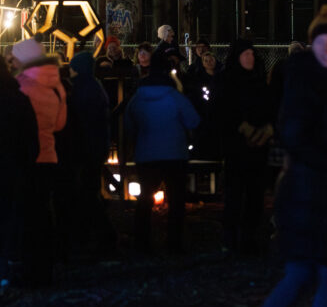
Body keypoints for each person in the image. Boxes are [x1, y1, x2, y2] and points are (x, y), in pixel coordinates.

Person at [241, 5, 327, 307]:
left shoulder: (322, 83)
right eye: (323, 41)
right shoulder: (309, 83)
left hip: (317, 195)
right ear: (313, 43)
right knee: (325, 276)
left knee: (304, 274)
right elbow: (296, 135)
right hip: (311, 196)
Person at [124, 52, 200, 253]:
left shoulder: (138, 97)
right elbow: (193, 120)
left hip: (147, 154)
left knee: (145, 199)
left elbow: (128, 124)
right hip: (175, 153)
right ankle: (173, 244)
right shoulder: (175, 96)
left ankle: (141, 244)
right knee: (176, 200)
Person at [10, 37, 67, 287]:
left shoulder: (21, 86)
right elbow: (60, 125)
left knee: (28, 216)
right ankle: (47, 266)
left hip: (28, 157)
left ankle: (31, 268)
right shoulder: (57, 84)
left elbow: (16, 126)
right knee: (44, 212)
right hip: (50, 155)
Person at [0, 51, 38, 299]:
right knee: (7, 226)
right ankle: (2, 276)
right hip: (10, 171)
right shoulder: (17, 97)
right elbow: (31, 139)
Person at [215, 39, 274, 254]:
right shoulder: (228, 82)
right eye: (245, 54)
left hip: (258, 149)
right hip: (236, 149)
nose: (250, 58)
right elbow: (222, 111)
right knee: (235, 194)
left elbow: (270, 108)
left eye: (252, 54)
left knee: (256, 195)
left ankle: (249, 237)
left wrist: (267, 129)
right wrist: (242, 127)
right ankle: (231, 238)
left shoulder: (259, 81)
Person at [64, 52, 117, 257]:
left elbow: (78, 120)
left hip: (85, 148)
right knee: (88, 191)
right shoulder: (93, 86)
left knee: (86, 193)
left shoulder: (81, 89)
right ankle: (94, 235)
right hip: (94, 147)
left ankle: (102, 236)